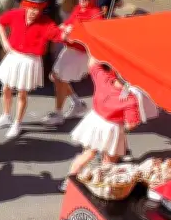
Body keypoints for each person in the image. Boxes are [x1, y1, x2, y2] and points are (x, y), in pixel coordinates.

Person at [0, 0, 71, 139]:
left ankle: (17, 123)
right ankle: (6, 116)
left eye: (38, 8)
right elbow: (0, 21)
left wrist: (65, 32)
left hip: (30, 60)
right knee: (6, 88)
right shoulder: (16, 14)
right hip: (14, 56)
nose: (34, 11)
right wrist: (4, 41)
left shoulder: (46, 22)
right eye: (32, 7)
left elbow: (57, 35)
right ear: (26, 5)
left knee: (22, 93)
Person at [59, 58, 145, 192]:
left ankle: (68, 181)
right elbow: (131, 124)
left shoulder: (103, 78)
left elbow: (92, 63)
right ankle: (103, 186)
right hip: (112, 128)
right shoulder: (130, 99)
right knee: (109, 160)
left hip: (94, 121)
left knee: (87, 154)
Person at [42, 0, 103, 126]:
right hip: (69, 49)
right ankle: (77, 104)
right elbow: (68, 23)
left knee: (59, 78)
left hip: (79, 53)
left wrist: (72, 33)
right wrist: (62, 28)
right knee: (56, 77)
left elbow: (90, 37)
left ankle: (58, 113)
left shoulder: (96, 15)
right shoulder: (78, 8)